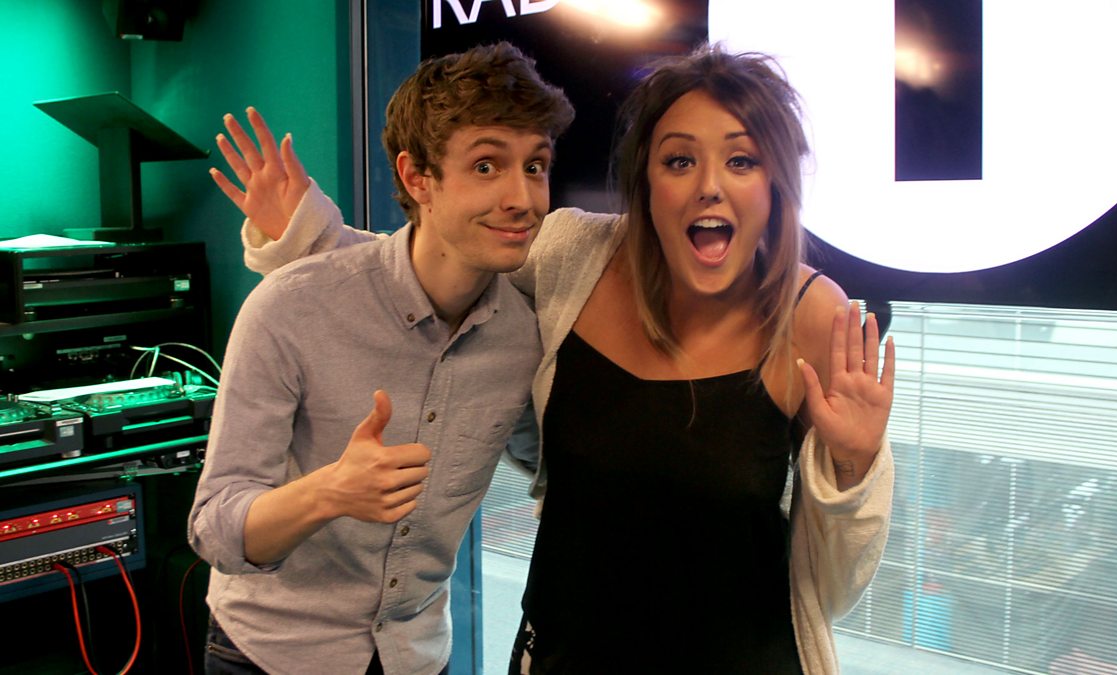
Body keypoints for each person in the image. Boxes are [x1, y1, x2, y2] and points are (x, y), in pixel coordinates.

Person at [227, 44, 895, 675]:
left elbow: (833, 581)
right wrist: (311, 238)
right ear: (646, 179)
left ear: (775, 182)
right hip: (560, 650)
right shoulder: (575, 255)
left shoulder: (812, 316)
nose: (709, 187)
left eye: (742, 160)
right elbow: (441, 265)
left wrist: (855, 465)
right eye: (679, 161)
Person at [187, 42, 574, 675]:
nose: (522, 198)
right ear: (418, 178)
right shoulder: (289, 307)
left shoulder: (525, 336)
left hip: (416, 656)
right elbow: (215, 529)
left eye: (535, 166)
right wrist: (329, 492)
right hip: (271, 655)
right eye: (486, 166)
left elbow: (557, 463)